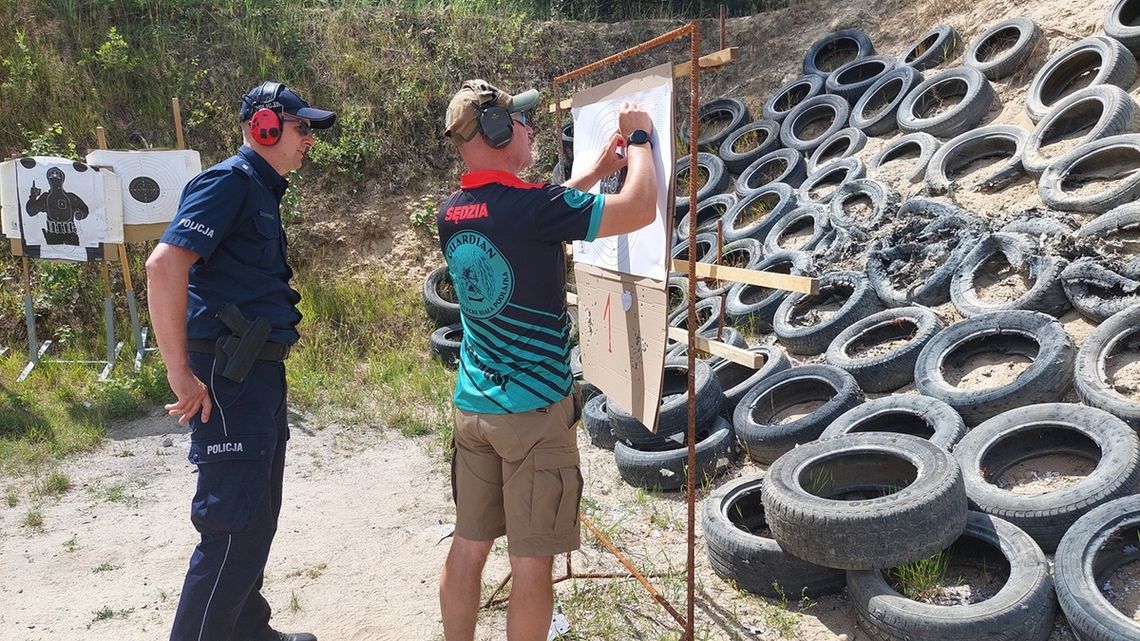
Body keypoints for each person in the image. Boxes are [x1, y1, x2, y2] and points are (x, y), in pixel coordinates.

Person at [437, 79, 658, 641]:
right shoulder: (535, 209)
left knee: (469, 547)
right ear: (495, 130)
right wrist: (637, 139)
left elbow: (537, 215)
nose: (529, 128)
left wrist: (589, 173)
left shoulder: (454, 212)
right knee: (531, 565)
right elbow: (638, 208)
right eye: (519, 120)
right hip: (533, 416)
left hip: (473, 408)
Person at [145, 81, 336, 641]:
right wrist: (178, 371)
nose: (308, 141)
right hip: (228, 375)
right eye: (301, 129)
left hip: (255, 373)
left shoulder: (259, 189)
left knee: (256, 518)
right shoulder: (229, 182)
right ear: (265, 127)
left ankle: (249, 631)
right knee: (233, 526)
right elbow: (164, 266)